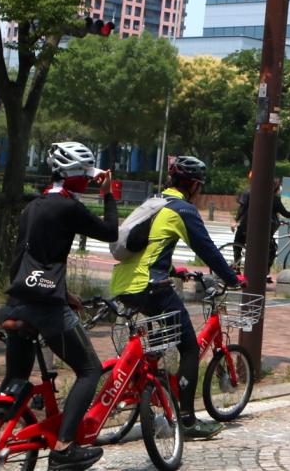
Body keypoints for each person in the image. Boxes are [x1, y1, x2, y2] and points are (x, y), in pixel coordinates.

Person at [0, 141, 118, 470]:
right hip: (46, 308)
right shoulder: (68, 207)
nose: (89, 181)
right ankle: (64, 448)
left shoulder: (32, 206)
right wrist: (108, 194)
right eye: (86, 175)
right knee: (90, 370)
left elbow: (30, 261)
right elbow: (110, 232)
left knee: (14, 381)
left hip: (16, 302)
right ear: (73, 175)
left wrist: (65, 294)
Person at [110, 155, 241, 440]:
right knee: (189, 347)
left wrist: (171, 270)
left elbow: (149, 246)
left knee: (160, 341)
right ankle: (188, 420)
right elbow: (207, 250)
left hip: (124, 285)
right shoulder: (183, 209)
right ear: (193, 185)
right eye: (199, 186)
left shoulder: (155, 203)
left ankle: (153, 385)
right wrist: (233, 279)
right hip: (151, 287)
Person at [230, 169, 290, 268]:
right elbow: (285, 213)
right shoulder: (274, 199)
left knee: (237, 244)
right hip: (262, 231)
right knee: (271, 249)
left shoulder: (249, 192)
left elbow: (242, 208)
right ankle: (264, 270)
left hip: (246, 227)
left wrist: (236, 220)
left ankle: (237, 267)